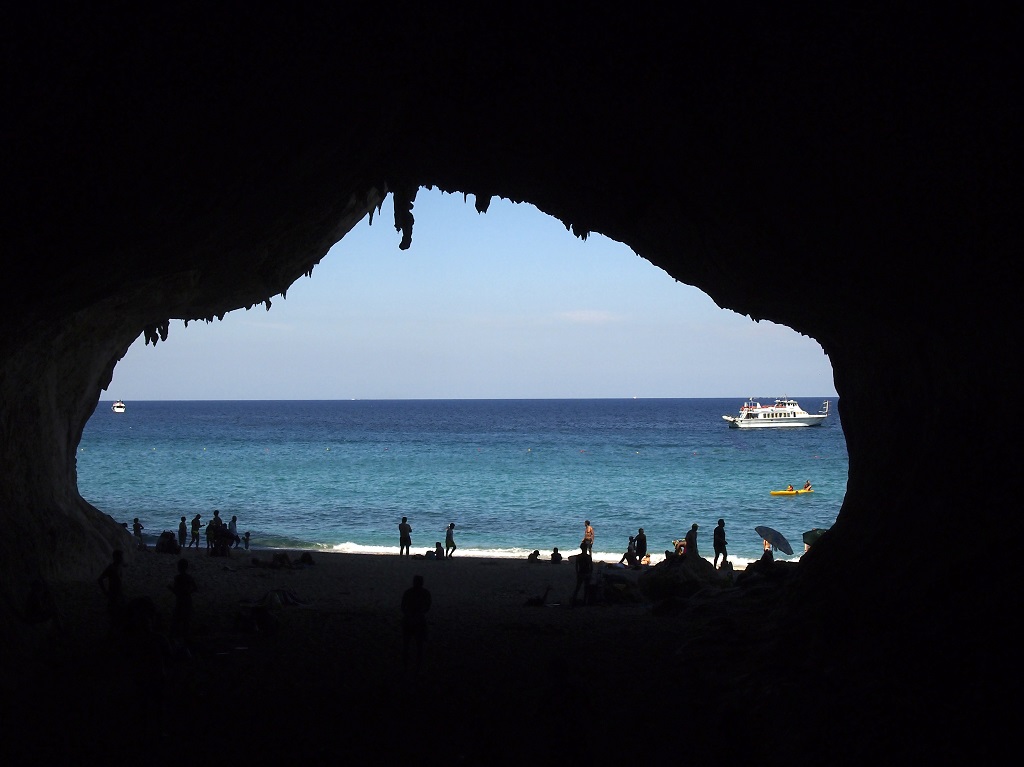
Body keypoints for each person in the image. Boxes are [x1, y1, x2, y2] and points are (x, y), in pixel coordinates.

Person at [401, 574, 431, 673]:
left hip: (408, 619)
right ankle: (418, 664)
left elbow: (403, 607)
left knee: (407, 643)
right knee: (419, 644)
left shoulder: (408, 592)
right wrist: (419, 612)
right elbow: (427, 607)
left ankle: (405, 664)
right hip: (419, 619)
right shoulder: (425, 593)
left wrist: (409, 614)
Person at [169, 558, 198, 639]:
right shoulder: (189, 577)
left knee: (177, 618)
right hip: (188, 599)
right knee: (187, 619)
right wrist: (189, 592)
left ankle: (177, 635)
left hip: (180, 600)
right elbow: (195, 588)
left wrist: (170, 588)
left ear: (178, 567)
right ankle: (186, 636)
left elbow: (176, 591)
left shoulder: (177, 578)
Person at [97, 549, 125, 632]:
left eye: (122, 557)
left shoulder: (119, 566)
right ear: (116, 558)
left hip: (119, 594)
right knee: (113, 617)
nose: (122, 558)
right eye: (120, 557)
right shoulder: (111, 568)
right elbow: (100, 579)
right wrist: (105, 592)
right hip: (113, 595)